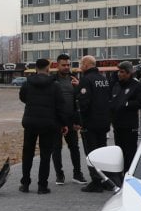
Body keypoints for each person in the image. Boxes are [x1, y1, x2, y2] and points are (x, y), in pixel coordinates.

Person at [18, 57, 68, 194]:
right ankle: (42, 186)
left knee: (27, 153)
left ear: (35, 69)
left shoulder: (27, 83)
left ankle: (26, 184)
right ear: (48, 68)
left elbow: (22, 97)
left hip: (30, 122)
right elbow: (60, 106)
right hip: (48, 123)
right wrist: (64, 123)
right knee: (45, 155)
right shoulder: (55, 85)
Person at [77, 55, 112, 193]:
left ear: (86, 64)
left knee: (91, 153)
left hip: (90, 123)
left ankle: (96, 181)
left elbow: (84, 103)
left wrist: (81, 121)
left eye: (81, 63)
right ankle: (105, 179)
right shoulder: (104, 79)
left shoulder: (86, 80)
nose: (80, 66)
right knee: (102, 151)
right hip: (103, 122)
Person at [50, 53, 86, 185]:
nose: (66, 67)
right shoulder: (52, 80)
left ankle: (77, 174)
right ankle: (60, 175)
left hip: (71, 120)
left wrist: (78, 121)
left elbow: (79, 101)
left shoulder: (74, 79)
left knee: (74, 147)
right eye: (63, 65)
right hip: (56, 120)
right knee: (56, 148)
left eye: (68, 65)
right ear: (57, 65)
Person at [109, 61, 141, 172]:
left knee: (130, 152)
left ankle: (130, 173)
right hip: (117, 125)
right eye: (118, 72)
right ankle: (120, 174)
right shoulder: (116, 85)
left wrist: (127, 104)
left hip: (130, 126)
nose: (119, 74)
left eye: (122, 72)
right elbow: (113, 102)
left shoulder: (136, 85)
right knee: (119, 152)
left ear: (129, 73)